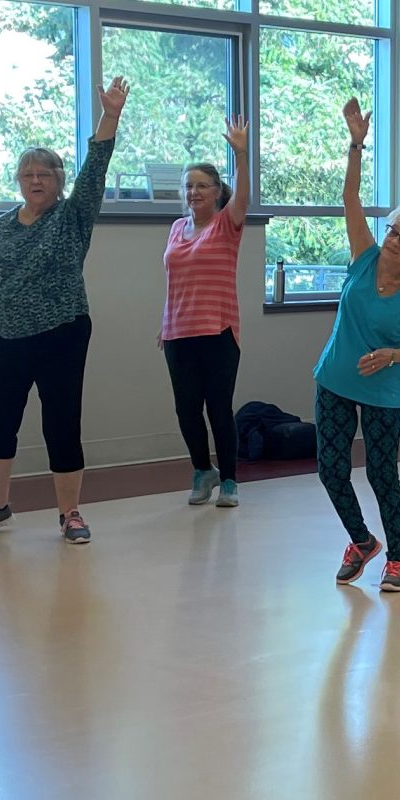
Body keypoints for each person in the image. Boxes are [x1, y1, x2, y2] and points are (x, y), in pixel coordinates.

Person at [0, 77, 130, 543]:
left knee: (61, 422)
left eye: (45, 175)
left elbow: (97, 166)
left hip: (63, 333)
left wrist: (109, 116)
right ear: (19, 180)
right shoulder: (1, 225)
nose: (36, 181)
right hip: (8, 335)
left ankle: (70, 513)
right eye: (29, 174)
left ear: (59, 182)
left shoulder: (72, 216)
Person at [313, 95, 400, 593]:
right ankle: (362, 541)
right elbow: (350, 199)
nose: (393, 242)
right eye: (393, 232)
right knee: (331, 470)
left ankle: (398, 560)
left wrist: (393, 354)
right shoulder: (362, 256)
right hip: (335, 379)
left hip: (382, 390)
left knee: (383, 474)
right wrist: (356, 145)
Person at [160, 118, 249, 509]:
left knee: (218, 407)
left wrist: (241, 155)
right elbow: (173, 283)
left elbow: (244, 195)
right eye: (189, 186)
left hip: (219, 330)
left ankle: (229, 479)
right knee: (185, 409)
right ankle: (202, 470)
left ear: (217, 193)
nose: (193, 191)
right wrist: (164, 327)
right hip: (178, 333)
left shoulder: (226, 224)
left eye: (202, 185)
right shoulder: (178, 228)